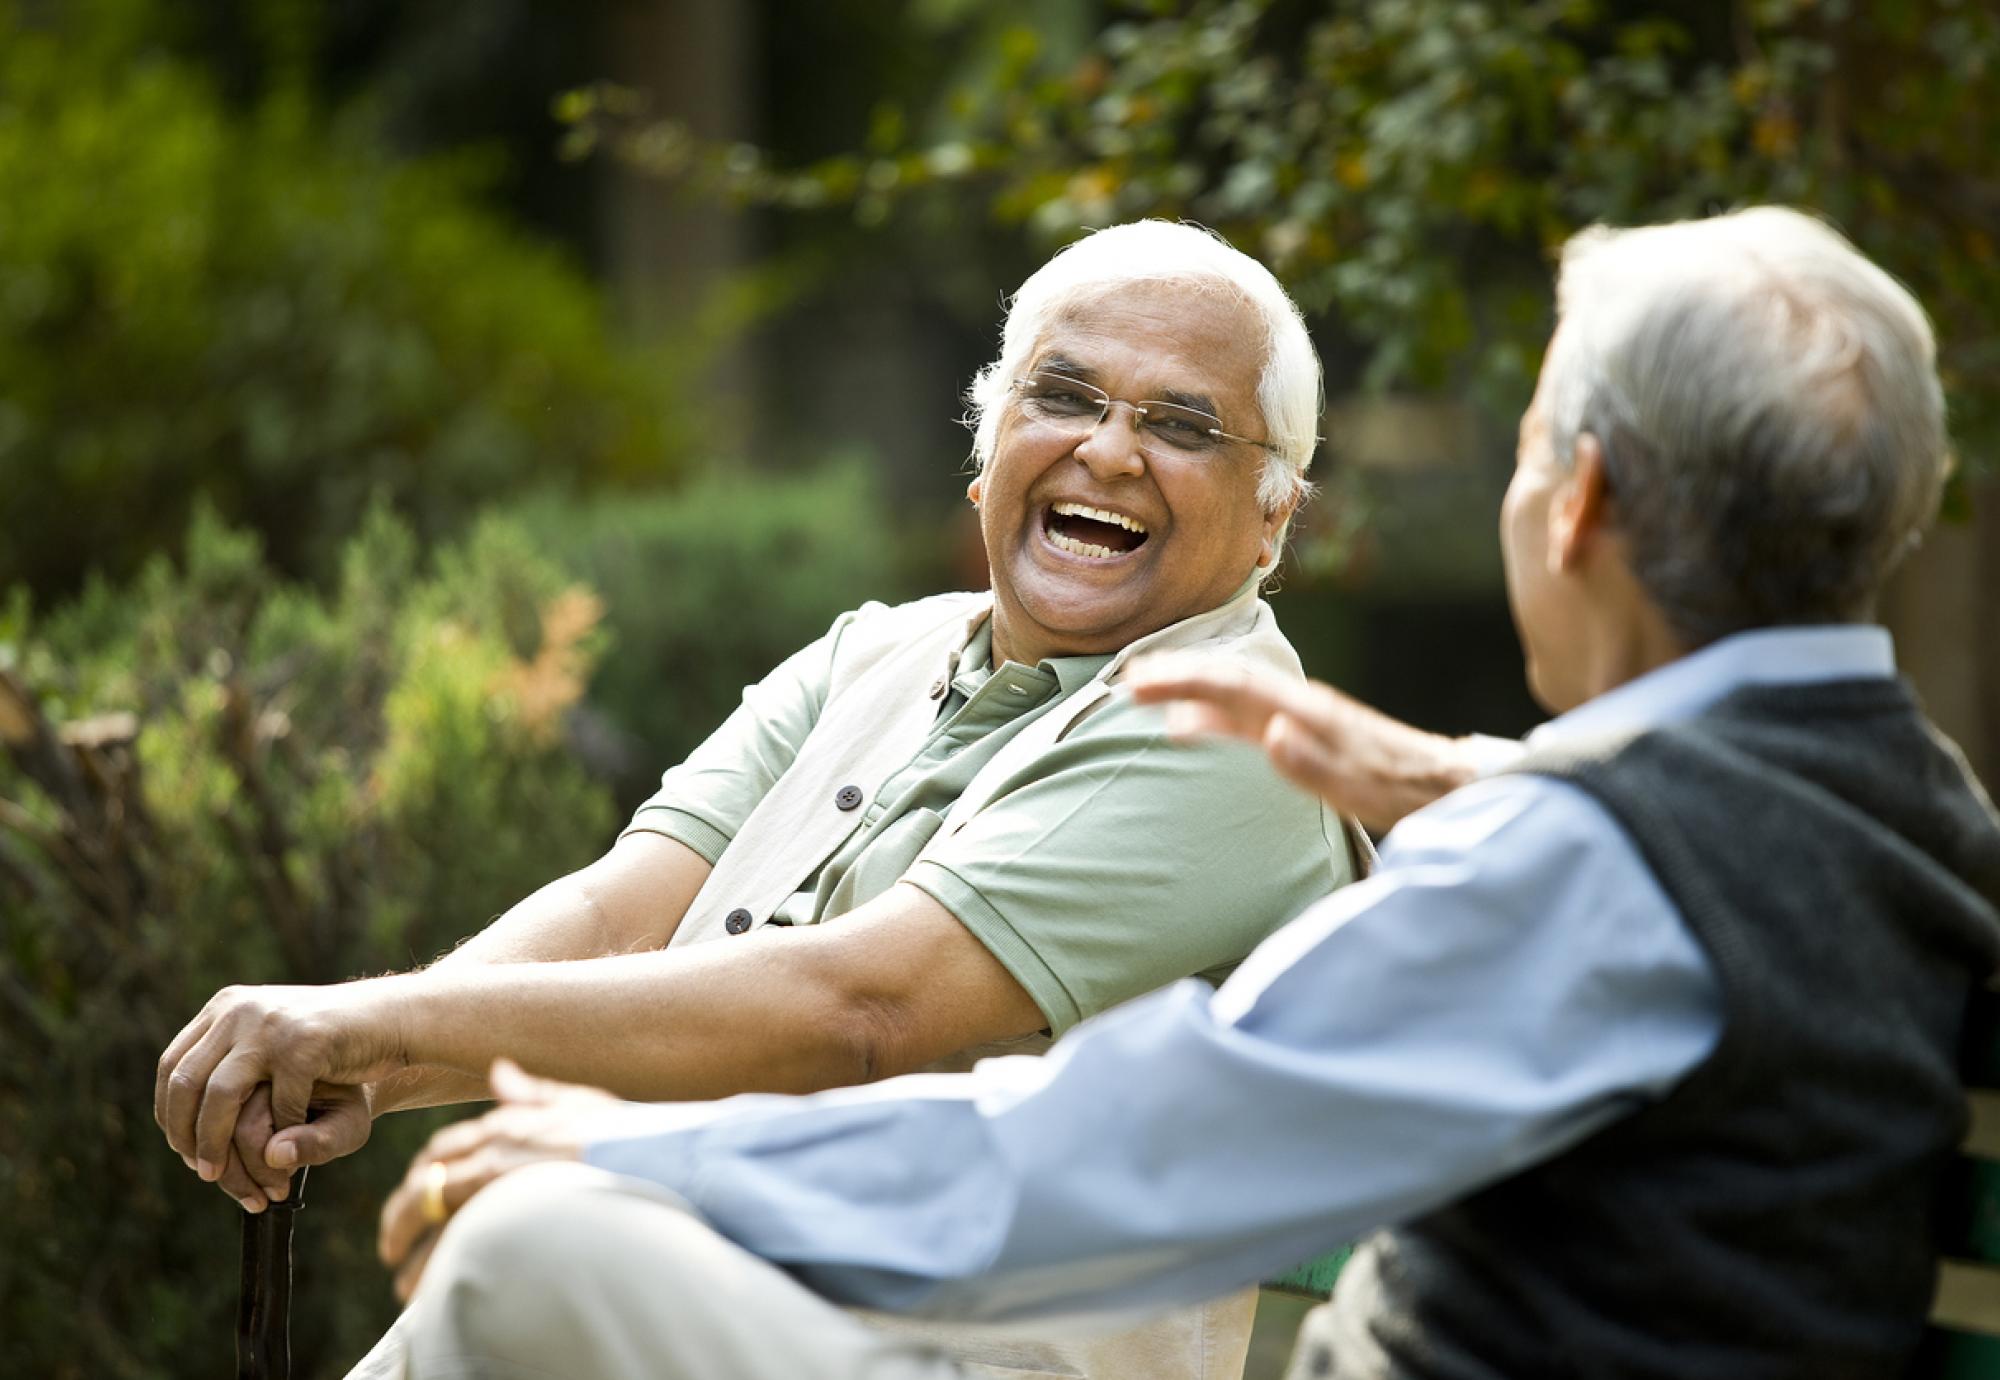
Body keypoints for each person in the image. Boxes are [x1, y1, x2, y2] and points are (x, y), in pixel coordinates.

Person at [365, 206, 2000, 1380]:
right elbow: (1708, 880)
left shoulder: (1594, 872)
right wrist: (1492, 785)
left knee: (532, 1251)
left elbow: (1123, 1157)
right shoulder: (1917, 817)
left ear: (1574, 504)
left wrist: (640, 1160)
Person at [154, 219, 1373, 1380]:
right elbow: (613, 914)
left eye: (1180, 423)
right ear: (984, 445)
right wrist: (363, 1070)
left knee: (528, 1247)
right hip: (709, 1301)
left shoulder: (1233, 734)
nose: (1107, 450)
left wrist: (378, 1031)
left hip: (962, 1355)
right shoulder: (869, 655)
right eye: (1062, 397)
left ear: (1272, 521)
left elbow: (859, 1007)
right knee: (527, 1245)